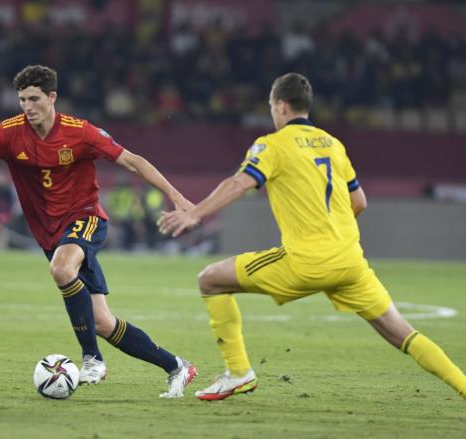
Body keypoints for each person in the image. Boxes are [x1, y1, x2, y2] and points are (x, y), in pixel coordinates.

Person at [159, 73, 466, 401]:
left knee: (210, 279)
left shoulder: (272, 145)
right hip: (350, 262)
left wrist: (194, 213)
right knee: (404, 333)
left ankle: (238, 373)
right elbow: (359, 202)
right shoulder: (333, 144)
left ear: (280, 106)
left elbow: (239, 183)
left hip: (304, 261)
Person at [0, 65, 197, 398]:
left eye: (34, 98)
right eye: (22, 99)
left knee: (62, 269)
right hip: (49, 233)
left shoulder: (80, 132)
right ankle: (177, 367)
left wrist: (176, 195)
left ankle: (92, 359)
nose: (27, 106)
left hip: (86, 218)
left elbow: (134, 161)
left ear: (52, 97)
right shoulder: (8, 133)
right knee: (101, 323)